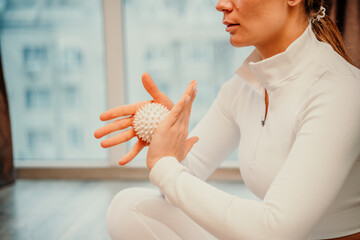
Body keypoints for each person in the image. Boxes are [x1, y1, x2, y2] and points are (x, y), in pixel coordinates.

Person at [94, 0, 360, 239]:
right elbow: (175, 187)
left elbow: (273, 231)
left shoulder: (340, 91)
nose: (220, 4)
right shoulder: (242, 88)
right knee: (128, 208)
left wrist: (165, 168)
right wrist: (168, 138)